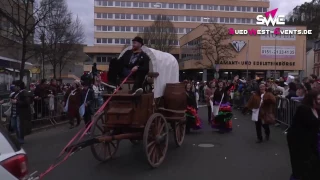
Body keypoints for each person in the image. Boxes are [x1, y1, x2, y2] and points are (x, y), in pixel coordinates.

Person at [287, 90, 320, 180]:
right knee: (302, 166)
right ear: (311, 99)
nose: (319, 101)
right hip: (299, 142)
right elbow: (303, 126)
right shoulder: (303, 109)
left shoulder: (316, 109)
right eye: (318, 99)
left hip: (311, 141)